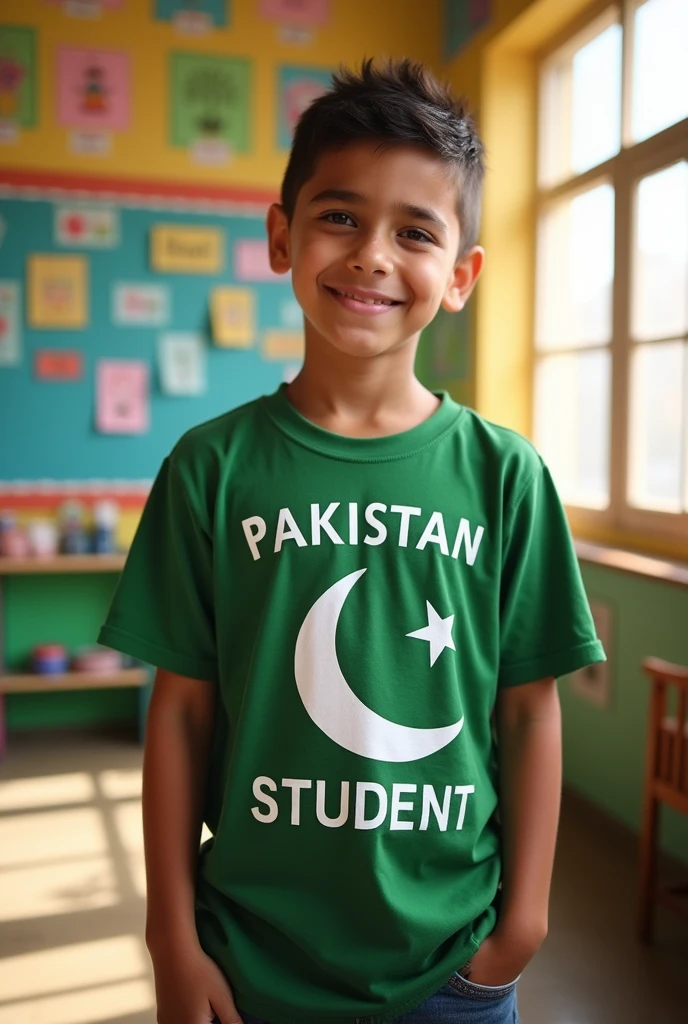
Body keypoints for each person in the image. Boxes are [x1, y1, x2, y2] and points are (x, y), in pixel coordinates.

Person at [98, 58, 605, 1024]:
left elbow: (531, 714)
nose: (373, 254)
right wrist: (170, 936)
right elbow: (179, 715)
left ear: (460, 276)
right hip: (246, 957)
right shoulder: (212, 467)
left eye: (415, 232)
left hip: (452, 966)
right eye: (340, 216)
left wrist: (522, 929)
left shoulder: (507, 475)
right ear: (282, 237)